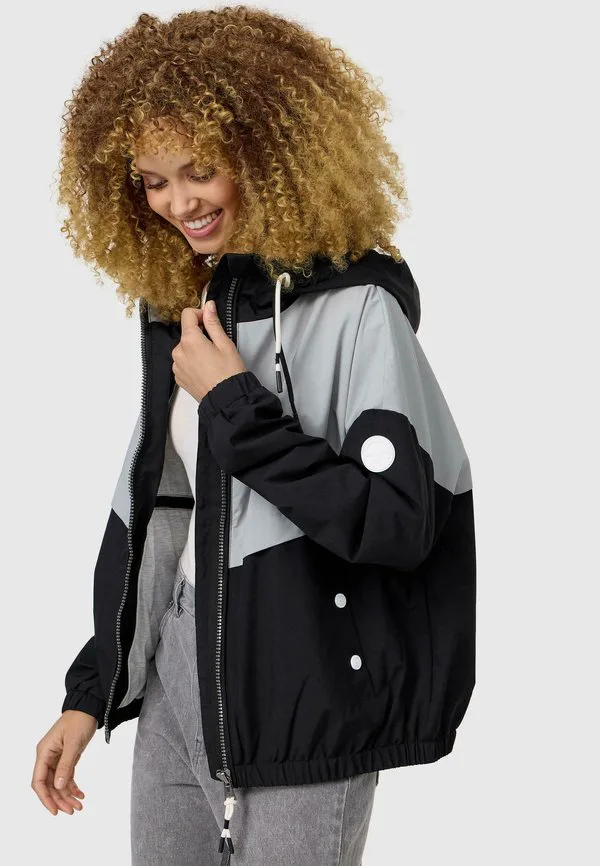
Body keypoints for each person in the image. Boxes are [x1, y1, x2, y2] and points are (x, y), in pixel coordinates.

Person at [31, 6, 477, 865]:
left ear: (269, 153)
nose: (179, 203)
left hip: (306, 686)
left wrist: (234, 402)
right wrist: (94, 690)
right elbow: (166, 514)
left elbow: (398, 524)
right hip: (180, 677)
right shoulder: (191, 308)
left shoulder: (360, 312)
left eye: (200, 170)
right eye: (152, 180)